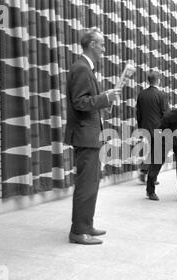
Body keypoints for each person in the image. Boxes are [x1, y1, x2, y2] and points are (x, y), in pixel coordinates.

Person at [64, 29, 121, 245]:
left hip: (90, 136)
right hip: (85, 136)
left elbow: (88, 101)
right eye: (102, 44)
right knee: (86, 185)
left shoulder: (85, 67)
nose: (104, 49)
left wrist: (103, 101)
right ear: (91, 44)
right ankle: (78, 232)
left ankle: (86, 225)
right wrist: (104, 98)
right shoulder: (81, 68)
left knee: (91, 184)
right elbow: (80, 102)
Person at [136, 71, 169, 184]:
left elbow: (138, 114)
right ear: (158, 81)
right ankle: (149, 174)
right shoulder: (162, 95)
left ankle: (145, 171)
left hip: (145, 127)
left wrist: (140, 127)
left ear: (148, 81)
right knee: (159, 153)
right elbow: (165, 114)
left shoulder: (141, 95)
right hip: (158, 128)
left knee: (154, 152)